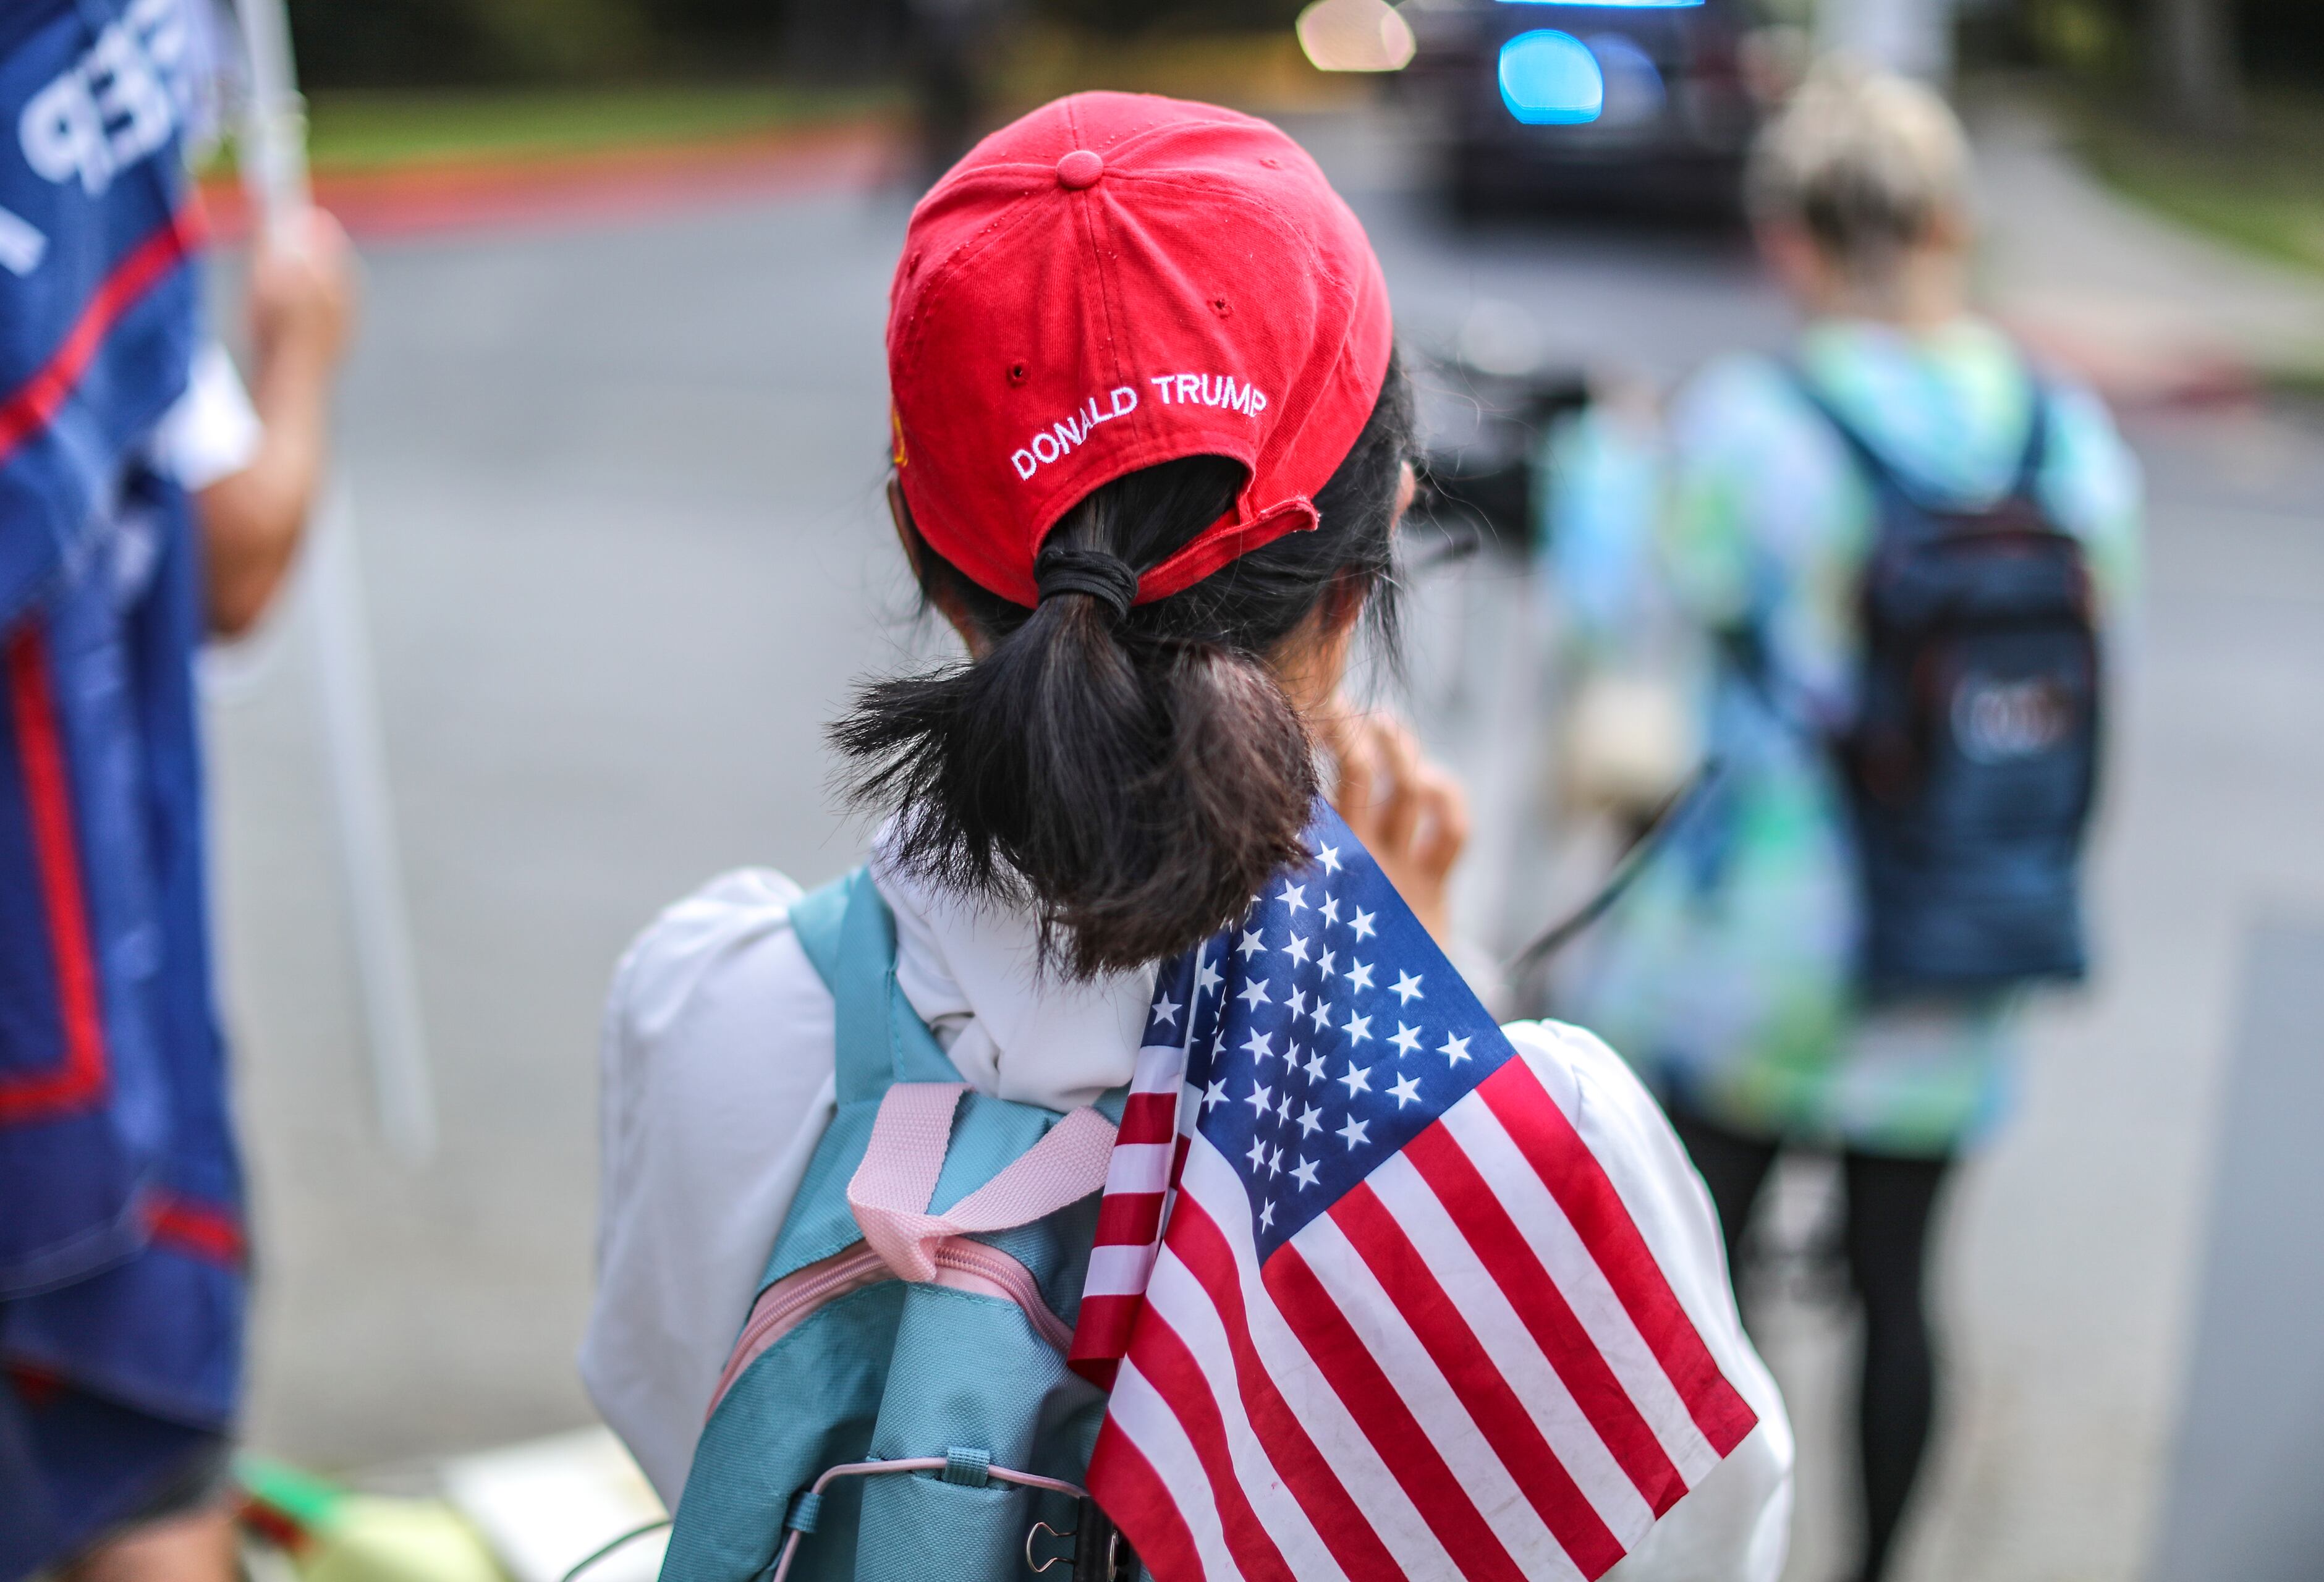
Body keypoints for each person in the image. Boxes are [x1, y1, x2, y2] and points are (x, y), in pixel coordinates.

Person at [583, 91, 1791, 1578]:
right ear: (1365, 572)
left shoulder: (707, 1008)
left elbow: (688, 1442)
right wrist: (1424, 988)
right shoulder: (1532, 1143)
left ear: (918, 540)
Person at [1538, 63, 2143, 1582]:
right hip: (1955, 922)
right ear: (1949, 226)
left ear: (1792, 240)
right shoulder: (2065, 437)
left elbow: (1633, 609)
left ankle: (1712, 1553)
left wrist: (1604, 455)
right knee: (1900, 1282)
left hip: (1758, 946)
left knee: (1708, 1291)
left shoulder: (1754, 424)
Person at [0, 2, 356, 1576]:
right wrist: (298, 351)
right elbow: (238, 552)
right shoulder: (72, 139)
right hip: (63, 1003)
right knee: (139, 1492)